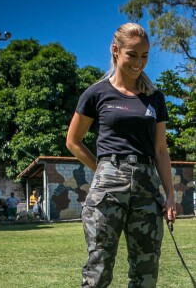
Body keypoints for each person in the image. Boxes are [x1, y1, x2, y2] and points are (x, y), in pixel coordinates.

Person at [66, 23, 176, 288]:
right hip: (108, 190)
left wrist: (170, 194)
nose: (139, 62)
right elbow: (73, 141)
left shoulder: (154, 98)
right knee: (99, 269)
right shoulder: (96, 94)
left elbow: (160, 150)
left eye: (145, 55)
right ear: (115, 51)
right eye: (132, 54)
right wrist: (103, 169)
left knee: (146, 271)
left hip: (147, 190)